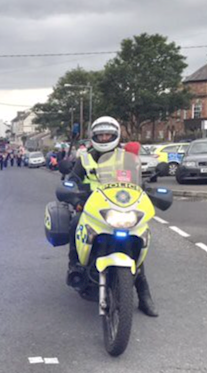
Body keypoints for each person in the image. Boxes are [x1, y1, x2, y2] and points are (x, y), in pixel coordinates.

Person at [66, 116, 158, 317]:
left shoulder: (125, 157)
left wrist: (147, 191)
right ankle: (75, 266)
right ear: (94, 136)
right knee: (74, 223)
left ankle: (144, 295)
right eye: (101, 134)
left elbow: (138, 181)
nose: (105, 137)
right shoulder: (85, 158)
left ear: (115, 135)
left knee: (138, 237)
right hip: (91, 206)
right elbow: (72, 180)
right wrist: (74, 198)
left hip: (119, 206)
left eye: (108, 134)